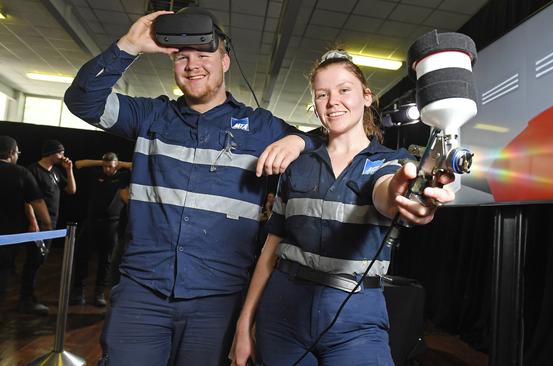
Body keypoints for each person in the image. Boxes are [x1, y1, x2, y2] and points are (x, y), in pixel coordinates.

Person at [64, 8, 320, 365]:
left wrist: (298, 143)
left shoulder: (261, 127)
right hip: (142, 294)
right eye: (182, 57)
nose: (192, 65)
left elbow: (327, 142)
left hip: (219, 301)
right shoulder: (149, 116)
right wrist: (129, 45)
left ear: (226, 61)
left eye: (204, 55)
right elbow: (81, 101)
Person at [230, 50, 456, 366]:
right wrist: (244, 323)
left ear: (367, 96)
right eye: (322, 94)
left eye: (343, 90)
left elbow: (388, 191)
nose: (332, 101)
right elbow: (271, 249)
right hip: (283, 310)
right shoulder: (298, 167)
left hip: (356, 315)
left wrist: (406, 197)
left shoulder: (391, 162)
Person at [19, 139, 76, 315]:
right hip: (38, 225)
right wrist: (33, 222)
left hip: (51, 224)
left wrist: (69, 169)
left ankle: (29, 295)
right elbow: (27, 199)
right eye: (60, 153)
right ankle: (25, 300)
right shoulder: (33, 171)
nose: (63, 156)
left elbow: (71, 190)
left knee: (39, 260)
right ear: (51, 153)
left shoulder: (57, 172)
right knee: (33, 260)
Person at [70, 153, 131, 306]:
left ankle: (99, 293)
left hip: (112, 225)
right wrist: (102, 162)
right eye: (105, 166)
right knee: (82, 257)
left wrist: (119, 163)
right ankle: (78, 292)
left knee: (106, 261)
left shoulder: (123, 177)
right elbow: (79, 163)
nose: (107, 169)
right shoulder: (96, 174)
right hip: (91, 222)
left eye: (110, 166)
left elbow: (134, 166)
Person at [0, 136, 52, 314]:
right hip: (7, 239)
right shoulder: (21, 173)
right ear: (11, 153)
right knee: (2, 274)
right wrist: (47, 225)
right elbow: (37, 202)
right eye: (17, 152)